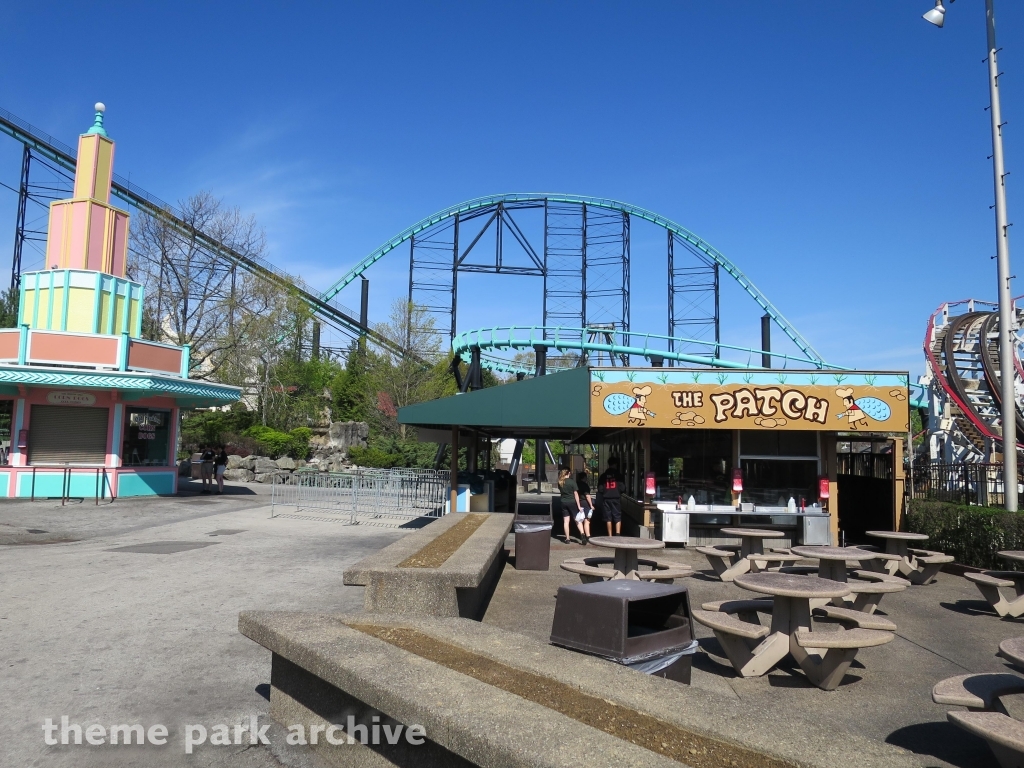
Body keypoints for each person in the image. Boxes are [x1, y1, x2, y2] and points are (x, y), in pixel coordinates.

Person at [598, 456, 624, 536]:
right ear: (615, 464)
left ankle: (610, 535)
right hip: (616, 498)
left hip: (606, 498)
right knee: (617, 517)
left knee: (608, 518)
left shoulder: (603, 476)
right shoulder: (619, 475)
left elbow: (600, 489)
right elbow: (622, 488)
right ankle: (617, 534)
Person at [557, 468, 581, 544]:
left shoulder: (560, 482)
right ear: (569, 473)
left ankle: (567, 538)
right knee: (577, 519)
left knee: (566, 521)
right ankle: (583, 534)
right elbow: (576, 494)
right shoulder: (572, 482)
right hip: (572, 502)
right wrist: (579, 506)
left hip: (563, 502)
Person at [574, 471, 594, 545]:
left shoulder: (576, 484)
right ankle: (588, 535)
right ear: (584, 478)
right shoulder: (585, 485)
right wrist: (591, 505)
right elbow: (587, 496)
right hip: (585, 503)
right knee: (587, 520)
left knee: (580, 519)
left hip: (578, 503)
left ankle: (582, 534)